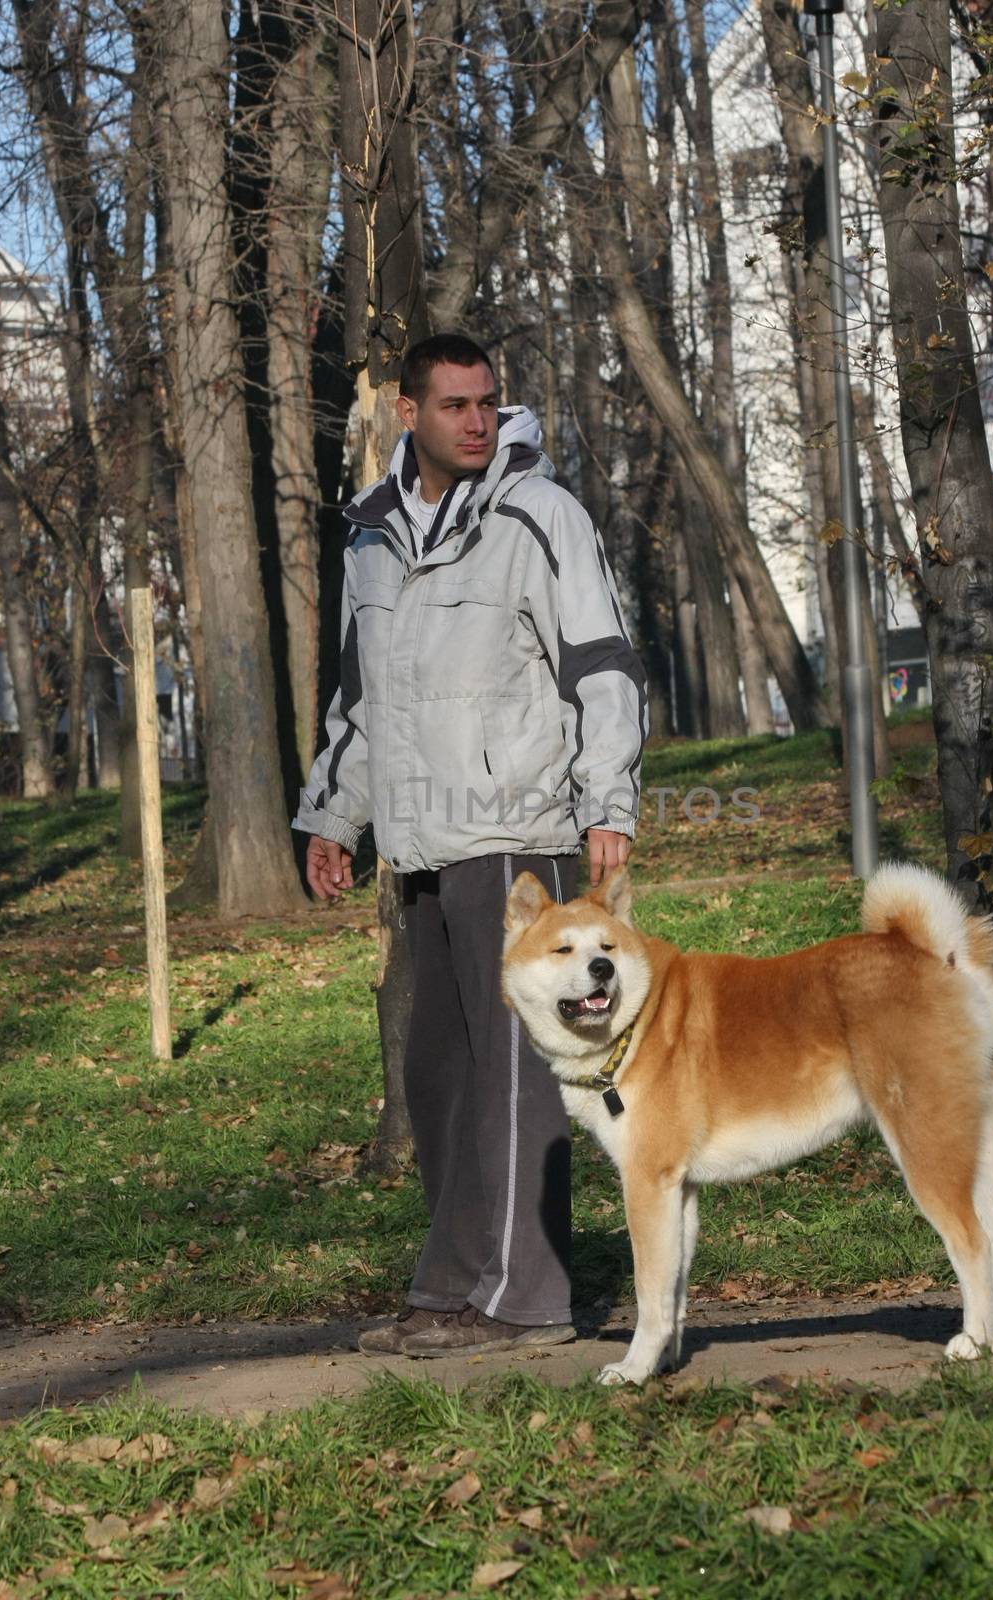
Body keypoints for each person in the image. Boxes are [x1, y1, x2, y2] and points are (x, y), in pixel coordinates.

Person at [294, 333, 646, 1356]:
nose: (475, 421)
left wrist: (606, 799)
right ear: (408, 413)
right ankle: (449, 1285)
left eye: (486, 402)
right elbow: (365, 699)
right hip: (419, 845)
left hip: (514, 834)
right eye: (453, 404)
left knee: (512, 1076)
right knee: (439, 1077)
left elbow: (601, 662)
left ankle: (521, 1297)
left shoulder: (539, 515)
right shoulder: (369, 538)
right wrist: (331, 815)